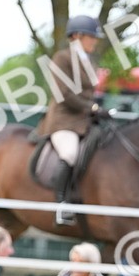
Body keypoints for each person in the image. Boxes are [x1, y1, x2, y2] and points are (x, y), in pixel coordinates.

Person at [38, 14, 104, 226]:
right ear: (76, 36)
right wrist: (91, 107)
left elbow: (89, 93)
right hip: (64, 120)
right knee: (70, 153)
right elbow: (64, 94)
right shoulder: (62, 58)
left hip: (86, 120)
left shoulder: (90, 62)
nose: (94, 41)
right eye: (91, 37)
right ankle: (61, 204)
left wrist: (100, 107)